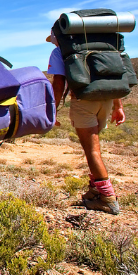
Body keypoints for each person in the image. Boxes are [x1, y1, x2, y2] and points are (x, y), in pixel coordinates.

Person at [47, 31, 125, 214]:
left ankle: (107, 198)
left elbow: (59, 82)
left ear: (57, 37)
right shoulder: (100, 47)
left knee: (92, 150)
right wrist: (118, 106)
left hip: (84, 102)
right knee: (94, 148)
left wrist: (53, 109)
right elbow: (115, 76)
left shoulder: (61, 51)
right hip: (106, 99)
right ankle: (94, 191)